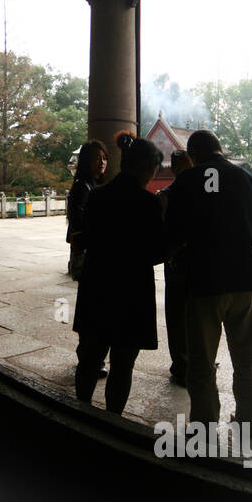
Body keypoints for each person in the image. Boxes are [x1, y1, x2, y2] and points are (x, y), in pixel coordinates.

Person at [163, 128, 252, 439]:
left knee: (202, 362)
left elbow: (173, 233)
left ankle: (205, 426)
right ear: (220, 149)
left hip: (204, 282)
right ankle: (249, 423)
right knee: (247, 358)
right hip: (246, 278)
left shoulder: (187, 181)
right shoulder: (247, 180)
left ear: (192, 155)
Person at [72, 132, 165, 413]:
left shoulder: (98, 197)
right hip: (131, 293)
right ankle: (112, 419)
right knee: (122, 365)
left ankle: (82, 411)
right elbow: (156, 252)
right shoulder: (149, 204)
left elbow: (85, 239)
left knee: (90, 358)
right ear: (147, 168)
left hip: (97, 286)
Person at [63, 141, 106, 282]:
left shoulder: (93, 184)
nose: (102, 162)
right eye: (97, 158)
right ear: (87, 161)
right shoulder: (82, 186)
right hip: (87, 249)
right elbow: (78, 220)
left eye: (104, 158)